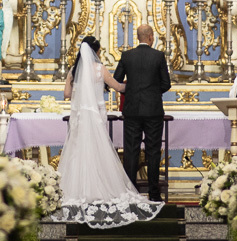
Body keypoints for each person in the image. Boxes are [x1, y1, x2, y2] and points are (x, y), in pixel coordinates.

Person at [52, 36, 162, 228]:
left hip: (80, 117)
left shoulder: (73, 70)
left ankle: (77, 189)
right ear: (95, 51)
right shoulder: (98, 69)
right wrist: (140, 86)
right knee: (97, 150)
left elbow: (67, 95)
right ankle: (99, 188)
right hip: (95, 115)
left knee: (78, 151)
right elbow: (118, 86)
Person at [114, 24, 171, 202]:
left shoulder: (127, 55)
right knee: (153, 152)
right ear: (151, 37)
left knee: (131, 151)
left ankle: (130, 193)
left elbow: (116, 80)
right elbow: (166, 83)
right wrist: (153, 92)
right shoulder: (158, 56)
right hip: (153, 111)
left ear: (138, 37)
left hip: (131, 111)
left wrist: (131, 91)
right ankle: (154, 194)